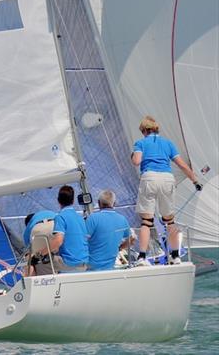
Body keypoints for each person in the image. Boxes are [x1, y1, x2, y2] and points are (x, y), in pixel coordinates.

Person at [132, 116, 201, 266]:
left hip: (149, 178)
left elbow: (137, 162)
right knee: (170, 221)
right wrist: (195, 181)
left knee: (146, 221)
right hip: (167, 179)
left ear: (144, 130)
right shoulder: (168, 143)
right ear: (156, 129)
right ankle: (175, 256)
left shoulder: (141, 143)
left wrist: (133, 154)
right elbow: (182, 165)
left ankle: (142, 258)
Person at [44, 185, 89, 272]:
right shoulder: (80, 218)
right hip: (84, 263)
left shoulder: (60, 217)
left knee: (38, 265)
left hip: (69, 264)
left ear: (58, 200)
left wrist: (41, 253)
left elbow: (58, 241)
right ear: (73, 201)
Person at [85, 190, 132, 271]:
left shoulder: (92, 218)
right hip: (110, 267)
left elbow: (82, 240)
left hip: (91, 268)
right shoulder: (122, 219)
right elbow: (131, 239)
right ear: (114, 204)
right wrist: (119, 248)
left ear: (99, 203)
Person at [22, 210, 56, 276]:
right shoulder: (48, 213)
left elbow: (29, 251)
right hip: (56, 224)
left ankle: (32, 280)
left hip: (38, 230)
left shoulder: (28, 229)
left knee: (30, 260)